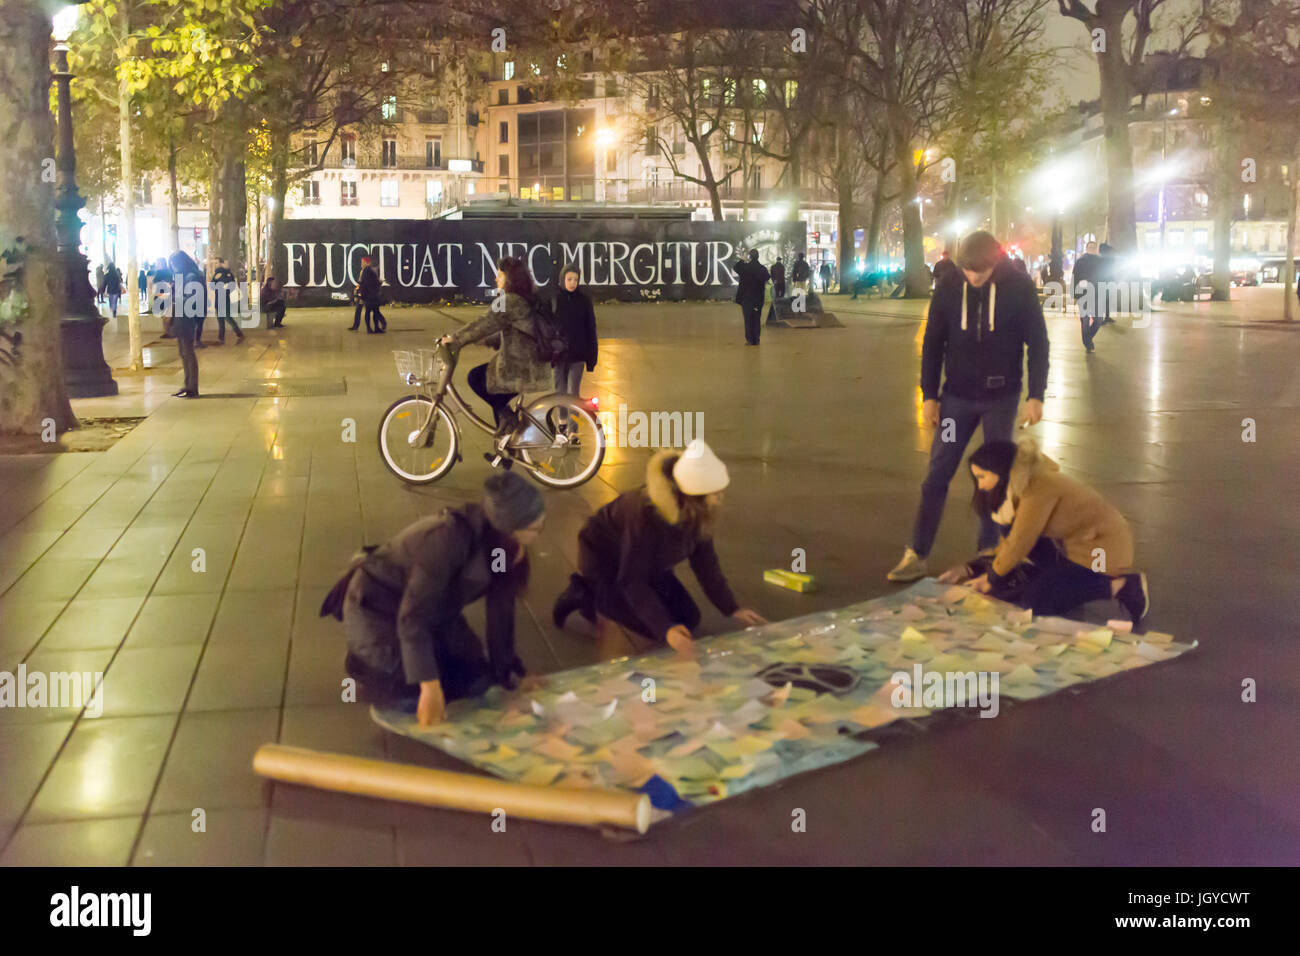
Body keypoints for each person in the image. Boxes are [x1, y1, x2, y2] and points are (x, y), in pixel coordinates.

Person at [888, 230, 1050, 582]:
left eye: (980, 272)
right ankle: (917, 551)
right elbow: (933, 341)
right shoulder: (949, 284)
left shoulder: (1019, 287)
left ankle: (989, 551)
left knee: (995, 476)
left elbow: (1038, 342)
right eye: (968, 271)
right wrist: (930, 395)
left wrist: (1036, 395)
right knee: (937, 471)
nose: (973, 278)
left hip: (1001, 399)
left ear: (995, 263)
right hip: (956, 399)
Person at [325, 472, 547, 727]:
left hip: (435, 610)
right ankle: (362, 664)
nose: (539, 533)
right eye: (535, 528)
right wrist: (430, 689)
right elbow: (412, 618)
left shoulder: (504, 546)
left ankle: (426, 670)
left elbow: (500, 609)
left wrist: (511, 675)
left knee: (479, 683)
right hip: (380, 609)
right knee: (411, 700)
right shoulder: (445, 539)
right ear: (511, 526)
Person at [552, 441, 767, 654]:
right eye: (715, 494)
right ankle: (584, 593)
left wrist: (732, 608)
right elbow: (631, 580)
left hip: (647, 565)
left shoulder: (695, 512)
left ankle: (623, 602)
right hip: (605, 562)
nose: (720, 499)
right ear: (695, 496)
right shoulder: (645, 515)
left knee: (688, 618)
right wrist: (666, 630)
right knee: (654, 627)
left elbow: (706, 563)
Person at [940, 439, 1150, 626]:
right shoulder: (1016, 491)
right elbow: (1010, 542)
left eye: (982, 477)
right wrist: (970, 569)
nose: (980, 485)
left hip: (1101, 551)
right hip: (1071, 547)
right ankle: (1062, 582)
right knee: (1014, 583)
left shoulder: (1038, 487)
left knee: (1036, 601)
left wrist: (991, 578)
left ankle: (1122, 586)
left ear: (1000, 470)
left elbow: (1020, 542)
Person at [439, 256, 554, 447]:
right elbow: (512, 331)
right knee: (497, 396)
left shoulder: (508, 301)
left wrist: (457, 339)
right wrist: (483, 340)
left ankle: (509, 425)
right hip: (530, 364)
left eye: (499, 276)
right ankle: (506, 450)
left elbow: (485, 322)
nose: (495, 279)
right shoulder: (523, 298)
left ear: (509, 279)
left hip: (521, 368)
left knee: (476, 378)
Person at [550, 264, 598, 433]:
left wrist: (592, 358)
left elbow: (591, 329)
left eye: (576, 279)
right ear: (562, 280)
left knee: (573, 394)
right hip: (557, 356)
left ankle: (573, 431)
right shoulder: (554, 300)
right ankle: (562, 422)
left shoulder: (584, 301)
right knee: (560, 392)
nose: (572, 283)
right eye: (569, 279)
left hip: (577, 356)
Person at [732, 249, 769, 346]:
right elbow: (767, 278)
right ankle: (756, 340)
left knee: (748, 319)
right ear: (758, 256)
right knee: (757, 318)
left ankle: (749, 340)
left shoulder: (745, 267)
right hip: (758, 298)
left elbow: (735, 267)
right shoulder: (762, 269)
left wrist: (742, 260)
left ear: (750, 257)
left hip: (746, 298)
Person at [1073, 241, 1104, 353]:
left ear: (1096, 249)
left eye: (1093, 246)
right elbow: (1075, 278)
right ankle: (1088, 343)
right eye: (1089, 246)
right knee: (1085, 320)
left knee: (1098, 319)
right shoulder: (1080, 261)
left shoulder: (1101, 262)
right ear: (1086, 249)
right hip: (1083, 294)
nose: (1091, 248)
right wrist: (1075, 295)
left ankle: (1088, 338)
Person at [210, 257, 244, 345]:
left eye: (217, 263)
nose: (215, 264)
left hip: (225, 299)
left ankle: (238, 333)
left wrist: (225, 290)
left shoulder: (227, 273)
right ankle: (221, 338)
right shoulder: (216, 274)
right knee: (220, 319)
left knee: (227, 317)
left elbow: (232, 285)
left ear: (221, 263)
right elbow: (212, 286)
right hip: (218, 299)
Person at [357, 255, 386, 333]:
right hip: (372, 295)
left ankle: (370, 328)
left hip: (369, 295)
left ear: (367, 263)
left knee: (370, 312)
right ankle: (376, 327)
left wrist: (362, 296)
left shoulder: (366, 271)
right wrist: (379, 282)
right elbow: (372, 283)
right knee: (375, 312)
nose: (361, 264)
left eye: (362, 262)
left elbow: (363, 284)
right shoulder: (369, 271)